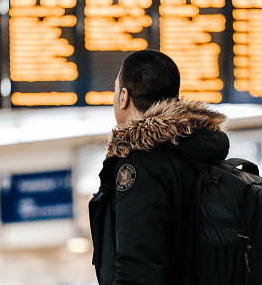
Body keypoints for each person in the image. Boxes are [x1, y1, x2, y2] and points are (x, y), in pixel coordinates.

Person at [89, 50, 229, 285]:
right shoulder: (198, 153)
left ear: (124, 96)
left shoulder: (140, 164)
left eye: (115, 90)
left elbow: (139, 270)